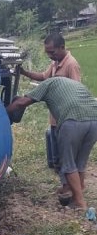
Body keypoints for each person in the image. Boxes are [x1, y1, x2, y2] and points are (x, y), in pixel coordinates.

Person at [6, 77, 97, 211]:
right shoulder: (69, 84)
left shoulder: (46, 84)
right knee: (80, 162)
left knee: (68, 163)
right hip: (94, 119)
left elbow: (21, 103)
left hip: (72, 121)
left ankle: (79, 202)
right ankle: (74, 191)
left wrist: (4, 112)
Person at [20, 32, 81, 192]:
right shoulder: (56, 63)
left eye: (52, 52)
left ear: (62, 47)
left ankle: (70, 188)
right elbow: (43, 77)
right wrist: (25, 73)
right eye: (47, 52)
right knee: (57, 155)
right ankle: (66, 185)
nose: (49, 55)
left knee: (65, 156)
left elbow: (76, 90)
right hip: (55, 118)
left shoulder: (71, 64)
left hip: (66, 118)